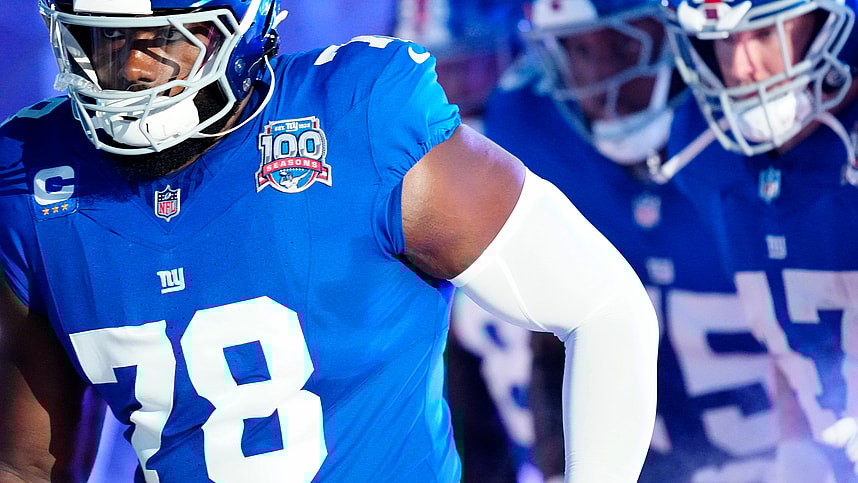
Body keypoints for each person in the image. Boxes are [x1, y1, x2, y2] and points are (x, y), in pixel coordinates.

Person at [0, 1, 659, 482]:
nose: (133, 71)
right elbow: (24, 462)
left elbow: (603, 307)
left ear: (239, 27)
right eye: (104, 40)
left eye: (167, 39)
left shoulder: (357, 119)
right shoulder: (30, 179)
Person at [481, 0, 782, 481]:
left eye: (625, 46)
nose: (602, 81)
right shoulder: (532, 131)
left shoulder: (765, 132)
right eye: (579, 51)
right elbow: (552, 343)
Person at [659, 0, 858, 480]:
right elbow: (792, 329)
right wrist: (797, 446)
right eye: (725, 40)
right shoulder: (702, 147)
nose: (741, 68)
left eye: (765, 34)